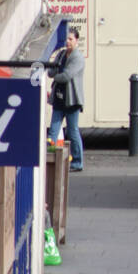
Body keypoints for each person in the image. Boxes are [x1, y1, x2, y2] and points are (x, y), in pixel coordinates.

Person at [48, 27, 86, 171]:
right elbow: (51, 70)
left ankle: (77, 162)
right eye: (66, 39)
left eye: (70, 39)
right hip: (59, 98)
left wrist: (56, 75)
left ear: (76, 40)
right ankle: (51, 159)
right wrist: (54, 73)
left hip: (72, 100)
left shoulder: (78, 58)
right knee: (53, 130)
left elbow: (66, 76)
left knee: (72, 131)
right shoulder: (61, 54)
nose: (68, 42)